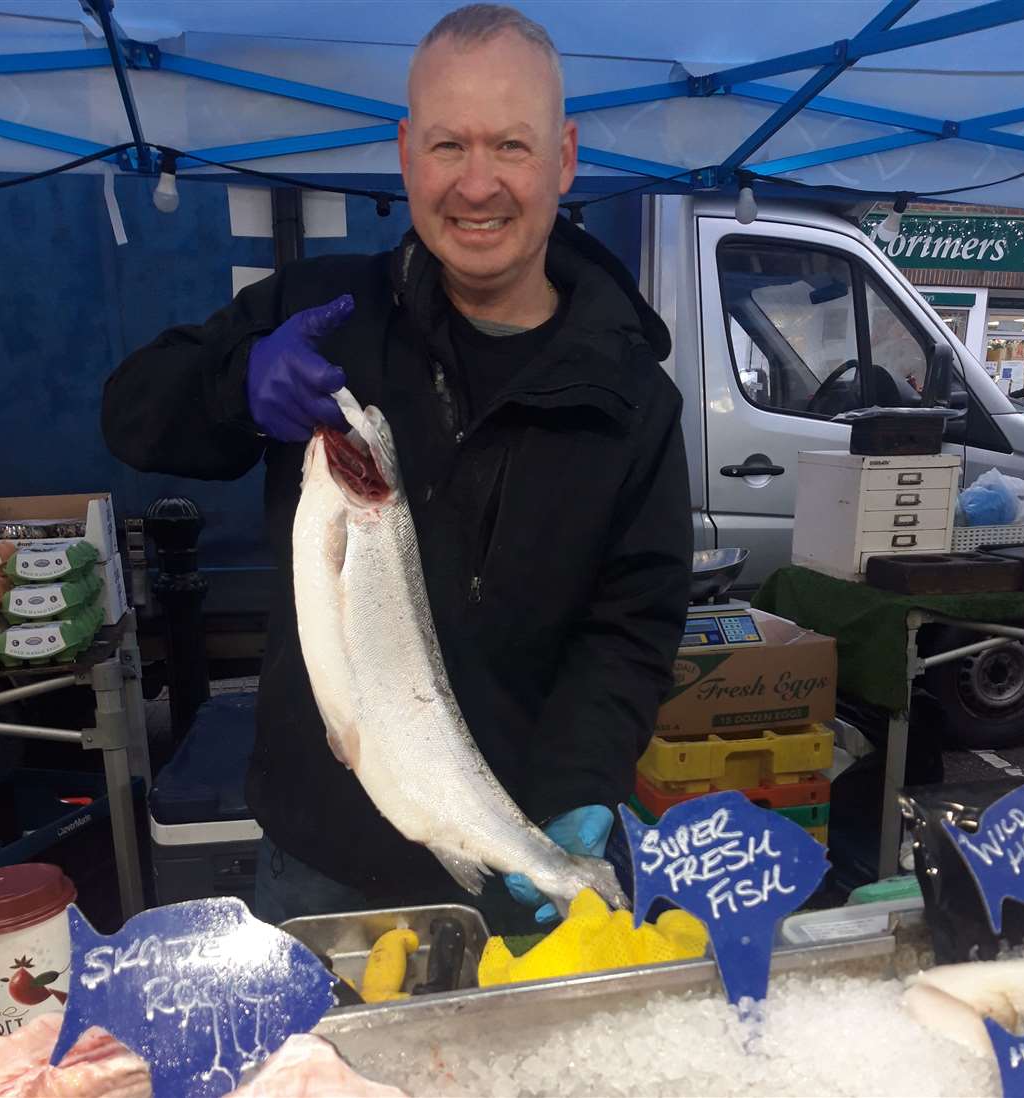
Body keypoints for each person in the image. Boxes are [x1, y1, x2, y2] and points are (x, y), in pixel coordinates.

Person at [102, 3, 691, 931]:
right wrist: (234, 387)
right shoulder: (323, 310)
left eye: (512, 146)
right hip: (318, 860)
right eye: (449, 146)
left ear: (566, 158)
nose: (478, 183)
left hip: (515, 853)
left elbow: (632, 628)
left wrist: (572, 798)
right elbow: (131, 415)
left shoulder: (634, 397)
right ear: (407, 154)